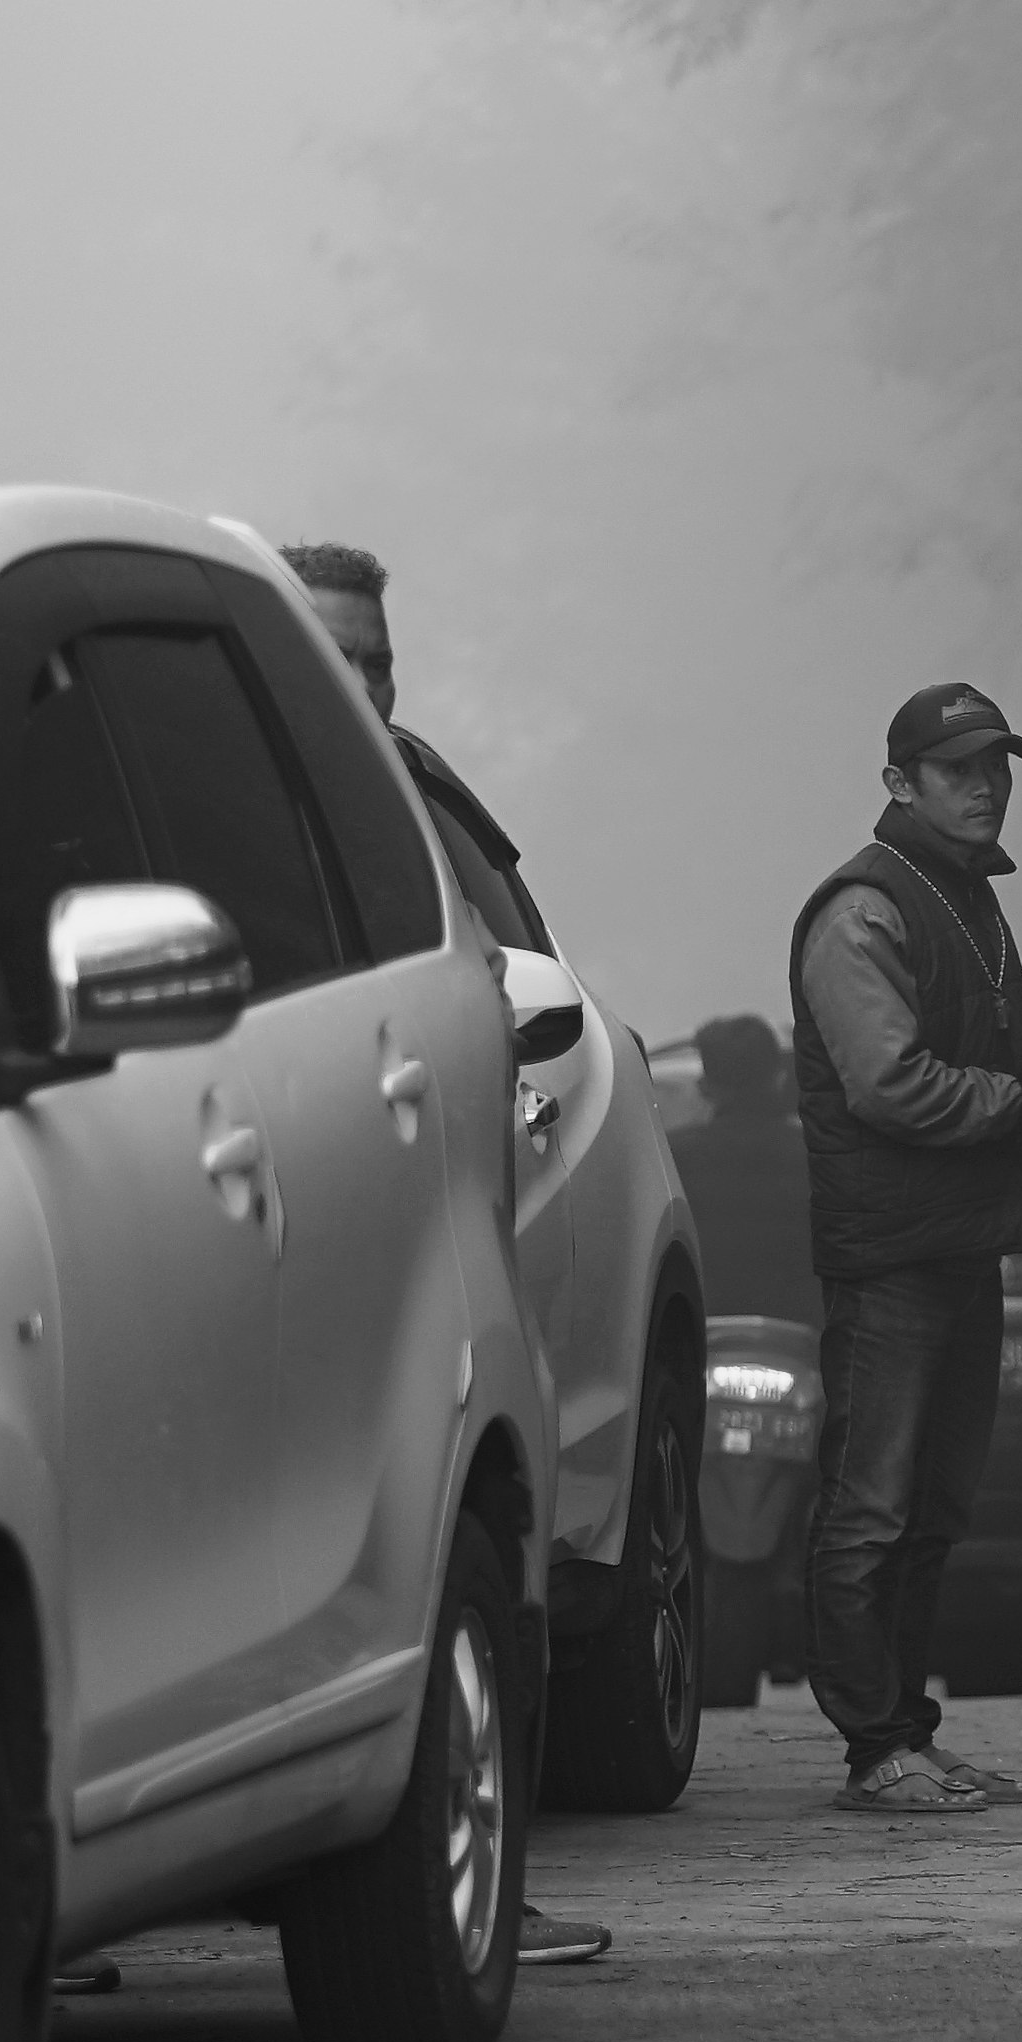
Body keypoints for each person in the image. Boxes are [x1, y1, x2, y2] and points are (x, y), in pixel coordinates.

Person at [280, 539, 614, 1969]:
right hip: (256, 1253)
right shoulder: (197, 812)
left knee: (473, 1552)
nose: (361, 688)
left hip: (444, 1255)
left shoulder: (424, 822)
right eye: (330, 659)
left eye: (379, 663)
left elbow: (511, 1000)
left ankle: (469, 1887)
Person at [787, 681, 1022, 1813]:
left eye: (998, 765)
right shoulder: (863, 910)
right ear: (901, 782)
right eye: (960, 769)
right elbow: (885, 1080)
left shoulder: (961, 896)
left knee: (935, 1507)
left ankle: (911, 1733)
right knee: (871, 1508)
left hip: (959, 1248)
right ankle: (873, 1748)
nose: (988, 786)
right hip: (894, 1258)